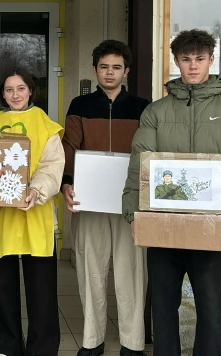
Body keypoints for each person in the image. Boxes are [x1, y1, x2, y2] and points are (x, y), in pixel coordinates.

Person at [122, 29, 221, 356]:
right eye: (186, 59)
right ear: (176, 61)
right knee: (162, 310)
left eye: (200, 59)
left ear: (211, 60)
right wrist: (133, 213)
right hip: (163, 228)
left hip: (213, 229)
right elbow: (139, 167)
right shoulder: (156, 112)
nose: (193, 66)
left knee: (212, 313)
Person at [62, 40, 149, 356]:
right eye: (104, 67)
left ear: (126, 71)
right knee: (91, 271)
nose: (109, 73)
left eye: (116, 67)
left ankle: (132, 343)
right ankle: (92, 340)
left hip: (130, 203)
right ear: (95, 69)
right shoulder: (80, 105)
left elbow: (149, 151)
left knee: (132, 273)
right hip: (90, 200)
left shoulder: (142, 107)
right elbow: (69, 146)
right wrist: (66, 184)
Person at [0, 67, 65, 356]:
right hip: (1, 217)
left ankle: (42, 348)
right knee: (3, 287)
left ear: (30, 90)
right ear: (2, 94)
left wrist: (35, 191)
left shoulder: (45, 125)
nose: (15, 95)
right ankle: (8, 347)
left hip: (35, 214)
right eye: (9, 89)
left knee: (41, 289)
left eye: (20, 88)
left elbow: (52, 167)